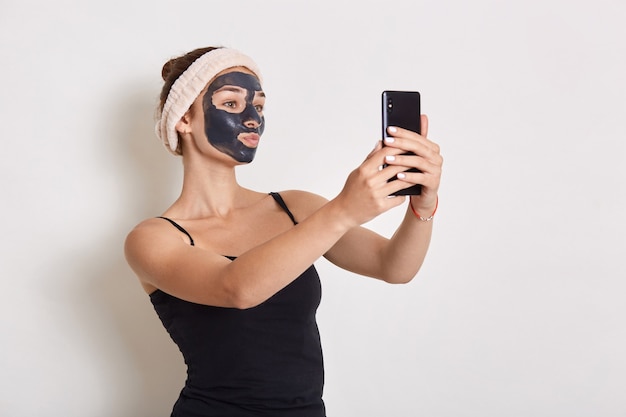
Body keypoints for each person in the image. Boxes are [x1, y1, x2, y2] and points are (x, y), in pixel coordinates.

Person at [124, 46, 443, 417]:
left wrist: (423, 206)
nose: (252, 119)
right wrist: (343, 209)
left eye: (258, 106)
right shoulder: (153, 238)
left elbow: (394, 267)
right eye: (231, 104)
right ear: (184, 119)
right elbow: (237, 288)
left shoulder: (295, 208)